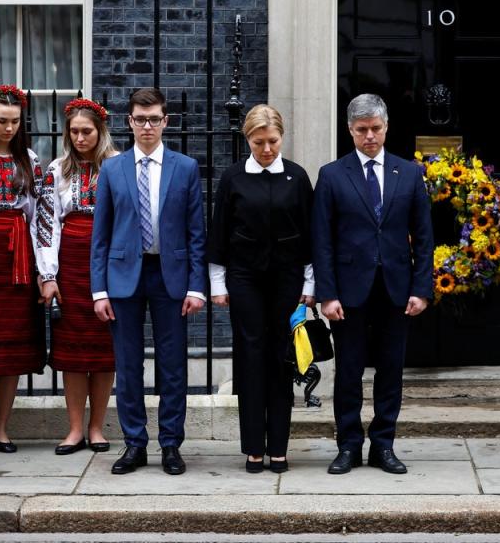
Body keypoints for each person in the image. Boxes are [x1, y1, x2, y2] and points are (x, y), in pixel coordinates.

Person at [313, 93, 433, 475]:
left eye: (376, 129)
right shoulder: (332, 175)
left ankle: (384, 444)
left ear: (386, 127)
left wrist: (421, 288)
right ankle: (348, 445)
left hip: (396, 288)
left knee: (390, 370)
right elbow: (322, 240)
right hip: (348, 291)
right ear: (350, 130)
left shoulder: (409, 173)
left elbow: (424, 236)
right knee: (349, 370)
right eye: (362, 130)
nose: (370, 137)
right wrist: (327, 294)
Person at [90, 87, 206, 475]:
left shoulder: (185, 168)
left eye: (154, 119)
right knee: (128, 366)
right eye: (140, 119)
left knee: (173, 366)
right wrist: (99, 289)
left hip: (169, 277)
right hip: (123, 278)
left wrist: (195, 285)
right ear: (129, 122)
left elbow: (196, 233)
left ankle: (171, 444)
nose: (147, 126)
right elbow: (100, 235)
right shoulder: (112, 169)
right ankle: (134, 444)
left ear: (165, 121)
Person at [208, 105, 315, 474]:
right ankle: (254, 447)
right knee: (251, 358)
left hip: (287, 278)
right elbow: (219, 233)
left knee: (281, 358)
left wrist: (310, 284)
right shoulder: (234, 178)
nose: (266, 149)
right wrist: (218, 284)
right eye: (258, 142)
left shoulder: (297, 178)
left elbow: (310, 235)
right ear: (247, 140)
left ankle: (280, 447)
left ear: (281, 137)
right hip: (245, 279)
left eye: (272, 141)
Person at [32, 98, 118, 455]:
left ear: (100, 132)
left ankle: (97, 428)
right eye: (75, 132)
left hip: (109, 265)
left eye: (87, 131)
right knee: (71, 352)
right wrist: (48, 274)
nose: (81, 138)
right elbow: (47, 222)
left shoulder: (117, 166)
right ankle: (73, 430)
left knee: (103, 352)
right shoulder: (58, 169)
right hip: (70, 262)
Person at [0, 84, 44, 458]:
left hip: (16, 261)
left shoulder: (29, 160)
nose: (9, 128)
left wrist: (39, 269)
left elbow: (34, 216)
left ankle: (2, 427)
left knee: (12, 348)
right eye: (3, 120)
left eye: (15, 121)